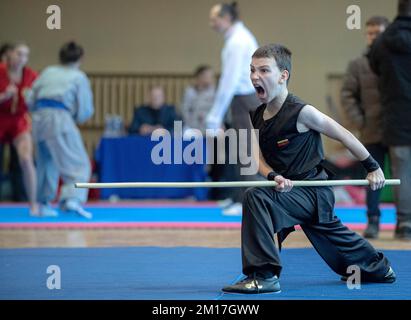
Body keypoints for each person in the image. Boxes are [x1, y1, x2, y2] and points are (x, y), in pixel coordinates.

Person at [222, 44, 395, 294]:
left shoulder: (302, 112)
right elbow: (255, 156)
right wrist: (273, 175)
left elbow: (344, 135)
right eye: (251, 70)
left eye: (263, 70)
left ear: (283, 75)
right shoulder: (257, 114)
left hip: (313, 191)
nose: (254, 76)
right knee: (332, 236)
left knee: (255, 197)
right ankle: (380, 269)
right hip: (288, 192)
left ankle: (264, 276)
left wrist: (373, 167)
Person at [27, 41, 94, 218]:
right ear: (81, 58)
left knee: (46, 162)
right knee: (78, 164)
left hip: (39, 119)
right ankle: (72, 199)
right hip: (59, 118)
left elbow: (30, 98)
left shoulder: (48, 71)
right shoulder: (78, 76)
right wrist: (75, 117)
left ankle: (43, 204)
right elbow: (84, 109)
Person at [207, 2, 260, 213]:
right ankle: (239, 196)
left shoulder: (238, 41)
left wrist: (214, 115)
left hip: (245, 99)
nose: (212, 24)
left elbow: (228, 82)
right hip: (242, 99)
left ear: (227, 18)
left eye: (214, 19)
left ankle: (247, 202)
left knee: (247, 150)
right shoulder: (236, 39)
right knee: (240, 149)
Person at [340, 16, 390, 239]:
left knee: (404, 177)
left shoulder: (399, 61)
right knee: (374, 177)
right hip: (370, 131)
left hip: (399, 131)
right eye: (370, 33)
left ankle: (405, 222)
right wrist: (360, 122)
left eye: (378, 33)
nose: (374, 37)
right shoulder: (358, 64)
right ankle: (373, 221)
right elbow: (347, 95)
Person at [369, 0, 411, 241]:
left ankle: (404, 223)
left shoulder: (383, 42)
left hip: (396, 117)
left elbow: (375, 68)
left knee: (401, 171)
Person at [0, 43, 41, 215]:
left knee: (26, 159)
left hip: (19, 121)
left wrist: (31, 100)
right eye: (18, 54)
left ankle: (33, 204)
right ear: (10, 55)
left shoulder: (32, 76)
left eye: (25, 55)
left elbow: (38, 102)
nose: (21, 58)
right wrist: (3, 96)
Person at [181, 65, 215, 134]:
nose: (211, 78)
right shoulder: (189, 92)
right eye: (208, 76)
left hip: (210, 126)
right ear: (200, 76)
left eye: (211, 76)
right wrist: (192, 123)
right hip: (192, 125)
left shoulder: (215, 92)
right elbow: (184, 110)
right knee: (185, 133)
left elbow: (217, 111)